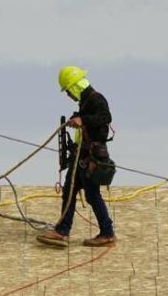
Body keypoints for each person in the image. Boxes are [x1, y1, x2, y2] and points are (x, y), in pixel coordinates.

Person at [36, 66, 117, 248]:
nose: (68, 96)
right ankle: (62, 231)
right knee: (69, 192)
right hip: (81, 155)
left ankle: (107, 233)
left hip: (90, 157)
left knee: (92, 195)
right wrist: (77, 118)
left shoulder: (96, 98)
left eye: (68, 91)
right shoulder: (85, 102)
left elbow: (105, 117)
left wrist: (83, 120)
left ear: (75, 86)